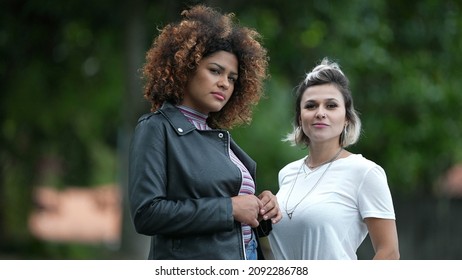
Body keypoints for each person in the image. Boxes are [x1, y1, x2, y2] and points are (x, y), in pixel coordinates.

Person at [128, 5, 282, 260]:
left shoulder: (217, 137)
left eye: (232, 78)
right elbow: (147, 214)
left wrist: (262, 207)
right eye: (215, 71)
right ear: (186, 68)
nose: (224, 83)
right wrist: (229, 208)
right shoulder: (157, 128)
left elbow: (237, 218)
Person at [268, 58, 399, 260]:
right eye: (311, 106)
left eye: (331, 105)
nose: (320, 113)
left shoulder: (365, 172)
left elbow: (389, 253)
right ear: (300, 118)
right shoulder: (287, 173)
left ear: (346, 117)